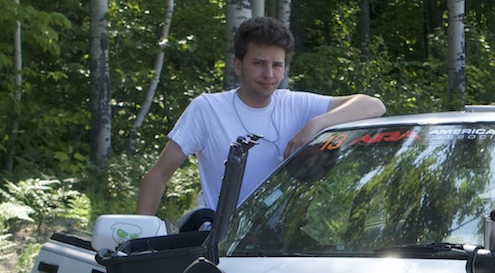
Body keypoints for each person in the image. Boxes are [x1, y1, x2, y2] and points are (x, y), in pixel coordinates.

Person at [137, 17, 384, 218]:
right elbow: (159, 175)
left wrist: (316, 124)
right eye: (258, 63)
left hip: (281, 246)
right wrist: (137, 239)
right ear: (238, 65)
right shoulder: (207, 109)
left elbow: (374, 105)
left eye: (277, 65)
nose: (269, 74)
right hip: (221, 245)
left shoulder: (296, 104)